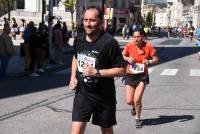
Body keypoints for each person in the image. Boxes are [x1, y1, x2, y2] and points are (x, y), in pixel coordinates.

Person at [69, 6, 125, 134]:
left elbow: (122, 70)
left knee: (106, 131)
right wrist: (72, 77)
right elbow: (75, 57)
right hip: (83, 94)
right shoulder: (79, 39)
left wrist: (97, 72)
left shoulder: (109, 43)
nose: (88, 24)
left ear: (100, 22)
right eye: (86, 20)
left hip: (104, 96)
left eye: (92, 20)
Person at [122, 28, 158, 128]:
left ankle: (138, 118)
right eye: (134, 37)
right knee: (129, 100)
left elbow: (156, 58)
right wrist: (127, 58)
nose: (136, 39)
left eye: (138, 36)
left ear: (142, 37)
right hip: (130, 75)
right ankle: (133, 107)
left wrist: (149, 62)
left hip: (142, 76)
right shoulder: (129, 45)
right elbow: (122, 55)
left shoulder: (148, 46)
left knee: (137, 99)